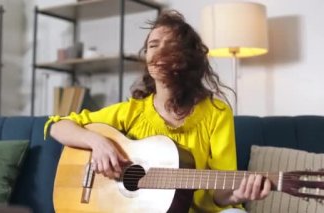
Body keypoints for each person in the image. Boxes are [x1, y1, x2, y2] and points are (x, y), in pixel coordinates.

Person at [45, 10, 271, 213]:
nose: (158, 52)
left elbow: (220, 192)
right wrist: (97, 142)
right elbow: (56, 126)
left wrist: (236, 194)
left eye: (169, 45)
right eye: (153, 45)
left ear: (188, 57)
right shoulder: (131, 111)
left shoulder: (216, 112)